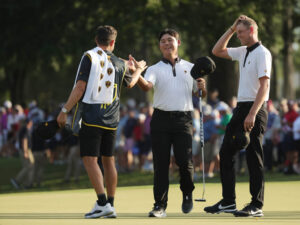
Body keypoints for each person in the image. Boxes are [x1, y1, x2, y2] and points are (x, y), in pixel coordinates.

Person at [56, 25, 147, 219]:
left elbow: (80, 87)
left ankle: (102, 203)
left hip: (91, 116)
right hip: (113, 119)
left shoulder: (89, 56)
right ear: (113, 42)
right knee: (108, 160)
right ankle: (110, 205)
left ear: (96, 40)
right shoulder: (120, 62)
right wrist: (138, 70)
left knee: (89, 159)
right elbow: (131, 83)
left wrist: (65, 110)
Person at [204, 15, 271, 217]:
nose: (238, 36)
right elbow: (216, 50)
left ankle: (256, 205)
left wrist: (252, 114)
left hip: (255, 109)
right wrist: (232, 28)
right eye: (237, 32)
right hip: (241, 108)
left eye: (241, 32)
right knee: (225, 153)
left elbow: (264, 85)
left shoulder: (263, 53)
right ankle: (228, 201)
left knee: (253, 157)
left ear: (251, 31)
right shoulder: (242, 51)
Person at [137, 28, 207, 218]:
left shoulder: (191, 67)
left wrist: (202, 87)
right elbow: (146, 86)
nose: (167, 44)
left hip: (183, 119)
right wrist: (136, 74)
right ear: (159, 46)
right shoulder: (153, 69)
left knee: (185, 162)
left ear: (178, 43)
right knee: (161, 164)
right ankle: (160, 205)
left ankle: (187, 193)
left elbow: (199, 94)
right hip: (160, 119)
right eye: (163, 41)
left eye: (170, 40)